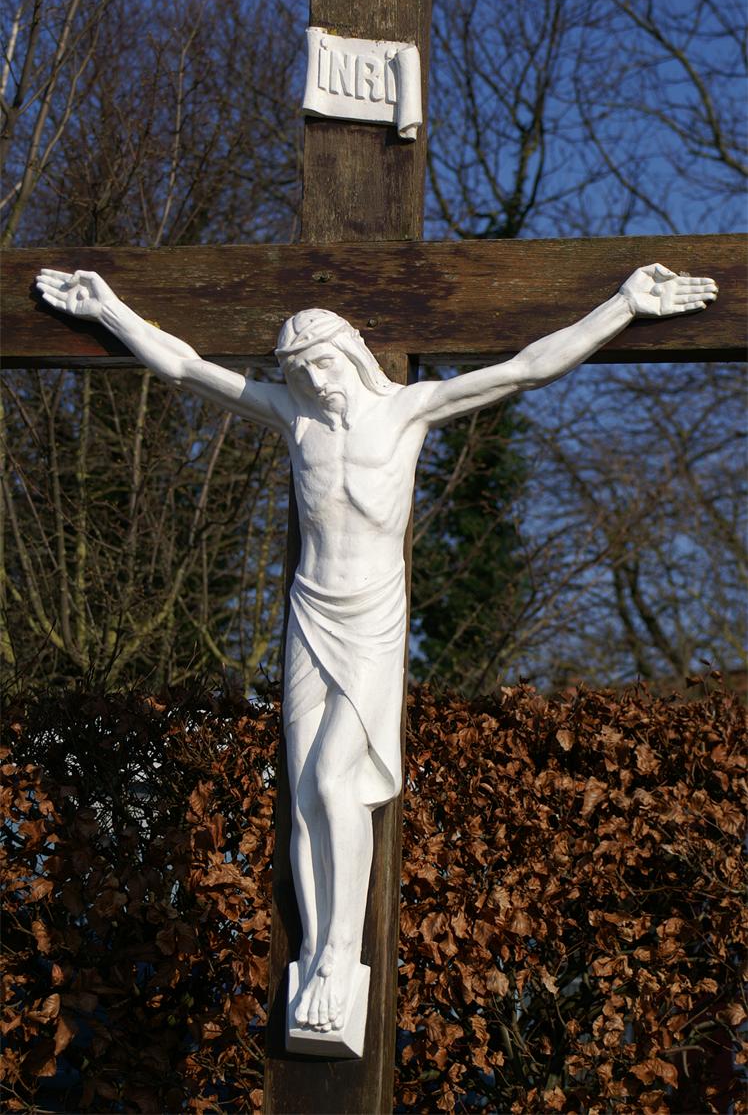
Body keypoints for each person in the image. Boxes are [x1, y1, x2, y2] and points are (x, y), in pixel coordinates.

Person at [36, 263, 717, 1037]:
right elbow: (188, 368)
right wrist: (111, 310)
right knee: (303, 796)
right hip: (309, 610)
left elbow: (527, 367)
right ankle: (315, 955)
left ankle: (339, 951)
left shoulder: (406, 411)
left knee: (336, 779)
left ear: (353, 352)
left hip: (369, 619)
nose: (314, 381)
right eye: (299, 371)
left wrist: (624, 305)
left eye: (323, 364)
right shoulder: (293, 417)